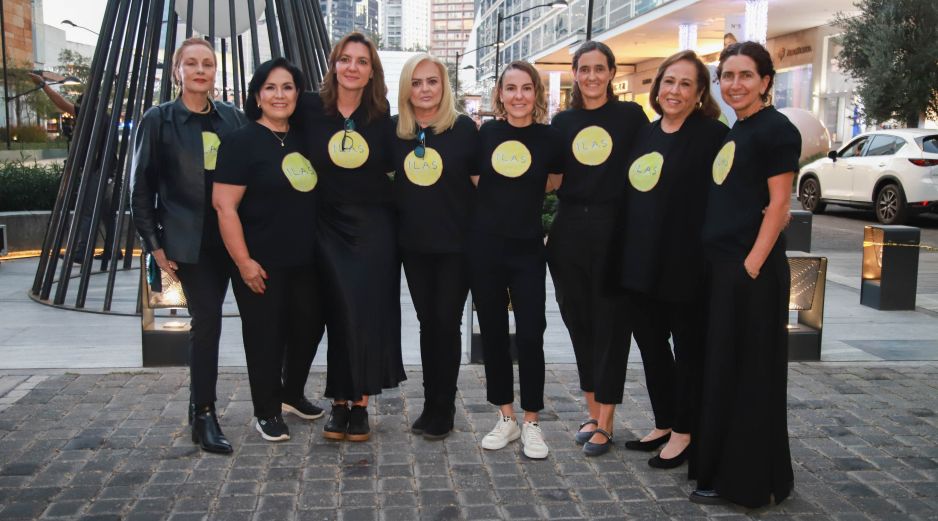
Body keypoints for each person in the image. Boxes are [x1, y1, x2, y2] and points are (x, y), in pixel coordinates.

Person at [691, 41, 799, 508]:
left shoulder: (777, 130)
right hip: (724, 271)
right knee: (725, 372)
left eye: (746, 75)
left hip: (749, 274)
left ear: (766, 81)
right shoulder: (738, 130)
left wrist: (750, 265)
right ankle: (725, 470)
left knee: (751, 376)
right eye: (727, 76)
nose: (735, 84)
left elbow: (779, 205)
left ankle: (749, 483)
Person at [131, 37, 248, 453]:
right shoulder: (158, 120)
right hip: (190, 243)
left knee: (264, 319)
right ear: (177, 71)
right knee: (208, 323)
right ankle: (204, 413)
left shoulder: (233, 119)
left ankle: (276, 401)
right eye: (192, 63)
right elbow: (140, 188)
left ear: (216, 72)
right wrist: (154, 244)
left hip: (237, 238)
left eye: (208, 64)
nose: (201, 70)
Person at [617, 50, 728, 468]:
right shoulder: (646, 134)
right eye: (669, 81)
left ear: (700, 93)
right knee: (650, 347)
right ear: (657, 86)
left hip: (686, 265)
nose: (675, 90)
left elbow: (727, 194)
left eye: (685, 83)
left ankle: (685, 431)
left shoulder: (711, 136)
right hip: (641, 262)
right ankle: (664, 421)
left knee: (687, 350)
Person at [296, 32, 405, 442]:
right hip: (326, 227)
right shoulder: (310, 109)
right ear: (334, 64)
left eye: (362, 61)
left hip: (375, 228)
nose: (353, 67)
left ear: (371, 70)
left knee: (366, 314)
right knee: (339, 314)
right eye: (346, 59)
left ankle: (357, 404)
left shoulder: (381, 115)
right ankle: (338, 400)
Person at [213, 58, 324, 442]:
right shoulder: (240, 143)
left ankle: (291, 392)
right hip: (260, 261)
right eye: (271, 88)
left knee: (310, 326)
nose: (280, 95)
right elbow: (224, 207)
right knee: (265, 335)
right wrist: (244, 262)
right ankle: (266, 409)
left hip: (306, 259)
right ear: (257, 95)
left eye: (288, 87)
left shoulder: (304, 138)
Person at [547, 41, 648, 457]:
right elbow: (551, 179)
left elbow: (651, 169)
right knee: (580, 323)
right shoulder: (562, 122)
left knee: (611, 326)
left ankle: (606, 422)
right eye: (584, 69)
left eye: (599, 69)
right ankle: (592, 412)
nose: (591, 76)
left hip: (614, 229)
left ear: (610, 73)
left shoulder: (631, 117)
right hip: (569, 230)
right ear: (575, 73)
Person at [470, 60, 561, 460]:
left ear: (536, 94)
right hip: (486, 246)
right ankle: (505, 416)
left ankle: (531, 421)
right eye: (511, 88)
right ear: (500, 94)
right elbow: (477, 181)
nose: (519, 96)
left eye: (526, 88)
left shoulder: (548, 137)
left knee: (530, 333)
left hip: (527, 248)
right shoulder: (486, 133)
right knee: (492, 332)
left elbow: (553, 182)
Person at [391, 53, 478, 440]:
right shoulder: (395, 132)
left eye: (432, 81)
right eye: (417, 82)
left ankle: (444, 407)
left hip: (456, 247)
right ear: (406, 89)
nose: (425, 89)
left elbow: (483, 188)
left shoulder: (464, 131)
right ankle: (430, 403)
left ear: (443, 87)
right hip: (414, 246)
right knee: (429, 325)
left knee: (447, 323)